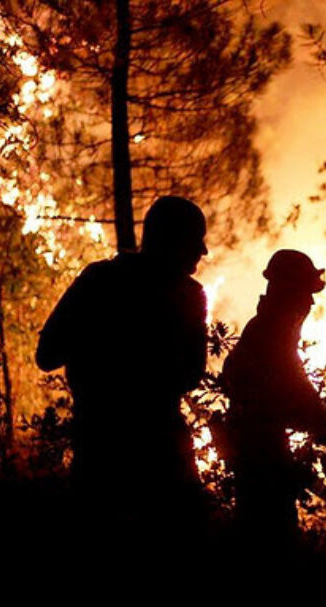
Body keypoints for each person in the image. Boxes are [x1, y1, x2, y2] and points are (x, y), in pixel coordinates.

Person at [36, 196, 209, 536]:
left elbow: (48, 354)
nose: (201, 252)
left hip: (100, 453)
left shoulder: (98, 281)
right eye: (193, 241)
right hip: (162, 460)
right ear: (171, 241)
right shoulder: (189, 296)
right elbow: (190, 374)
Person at [220, 249, 326, 551]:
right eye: (305, 293)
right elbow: (291, 389)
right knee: (270, 540)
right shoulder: (270, 335)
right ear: (287, 291)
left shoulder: (266, 331)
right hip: (260, 452)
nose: (310, 302)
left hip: (260, 447)